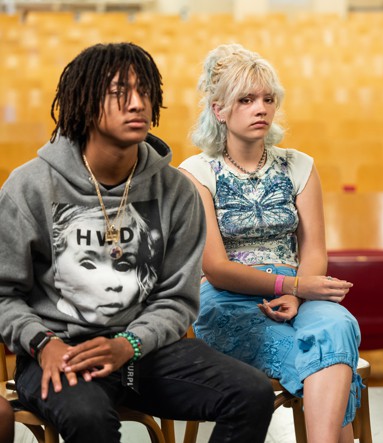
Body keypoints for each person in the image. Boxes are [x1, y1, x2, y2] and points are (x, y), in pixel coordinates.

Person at [0, 42, 274, 443]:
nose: (137, 104)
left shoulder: (176, 190)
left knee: (251, 393)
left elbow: (177, 299)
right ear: (84, 103)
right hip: (62, 352)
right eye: (119, 93)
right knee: (88, 418)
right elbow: (4, 294)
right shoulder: (30, 187)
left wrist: (130, 344)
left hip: (144, 351)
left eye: (145, 92)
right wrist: (43, 344)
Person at [179, 43, 362, 443]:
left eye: (267, 99)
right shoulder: (195, 172)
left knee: (338, 323)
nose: (260, 108)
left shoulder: (300, 165)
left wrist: (297, 295)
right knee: (328, 352)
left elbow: (314, 251)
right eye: (245, 100)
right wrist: (292, 286)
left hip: (298, 294)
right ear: (219, 110)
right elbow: (216, 267)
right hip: (228, 301)